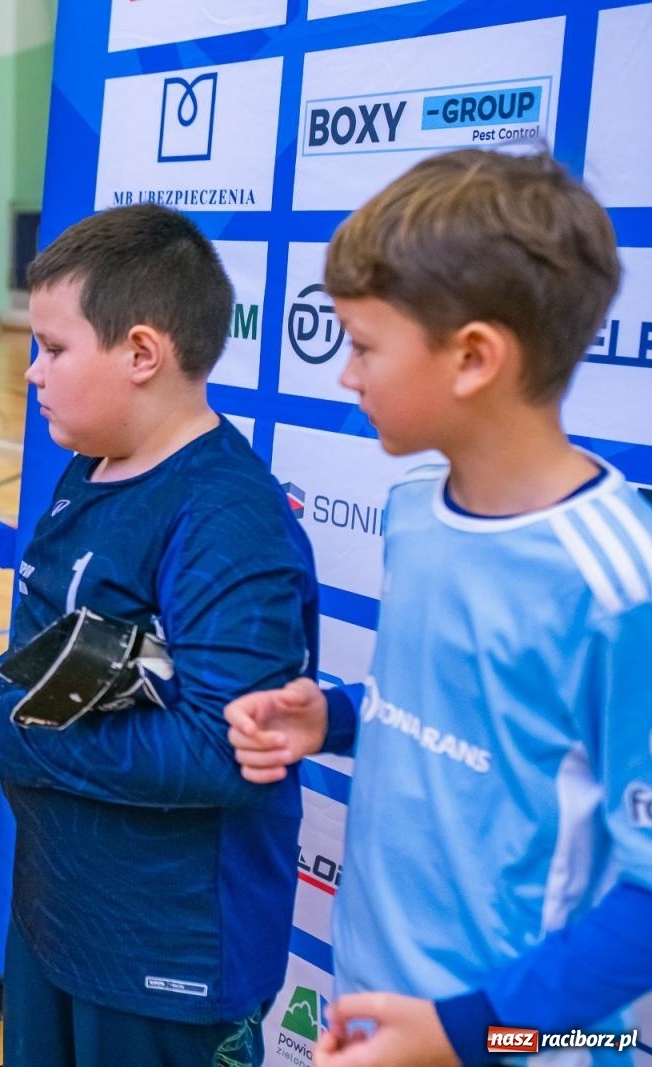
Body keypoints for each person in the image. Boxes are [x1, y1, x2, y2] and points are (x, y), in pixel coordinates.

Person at [227, 150, 652, 1067]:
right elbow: (462, 723)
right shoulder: (417, 508)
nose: (346, 375)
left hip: (520, 1038)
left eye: (366, 346)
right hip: (381, 1013)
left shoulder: (621, 585)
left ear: (474, 357)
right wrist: (335, 714)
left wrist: (465, 1034)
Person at [0, 204, 319, 1067]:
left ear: (142, 352)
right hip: (55, 921)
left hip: (167, 960)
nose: (32, 371)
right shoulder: (88, 467)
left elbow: (219, 750)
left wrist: (10, 732)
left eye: (54, 348)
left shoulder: (229, 520)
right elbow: (66, 639)